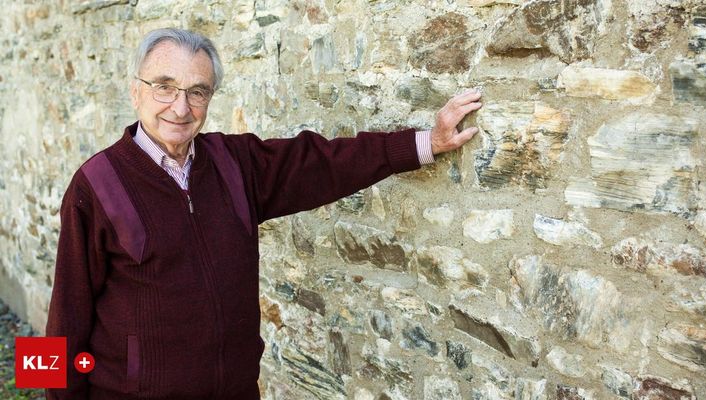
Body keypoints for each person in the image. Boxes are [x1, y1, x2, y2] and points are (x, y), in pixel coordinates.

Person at [45, 28, 482, 399]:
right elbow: (65, 315)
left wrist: (426, 143)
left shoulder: (235, 164)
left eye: (197, 92)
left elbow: (325, 163)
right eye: (164, 86)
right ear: (136, 90)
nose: (181, 108)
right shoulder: (96, 185)